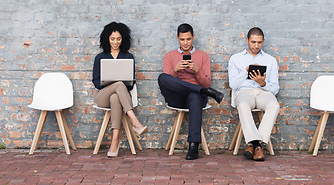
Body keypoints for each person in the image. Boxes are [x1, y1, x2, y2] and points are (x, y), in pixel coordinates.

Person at [158, 23, 224, 160]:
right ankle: (208, 92)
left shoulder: (203, 56)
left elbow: (206, 83)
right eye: (182, 39)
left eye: (188, 39)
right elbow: (167, 82)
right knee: (162, 77)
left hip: (196, 98)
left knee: (194, 95)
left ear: (193, 38)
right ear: (177, 38)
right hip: (176, 96)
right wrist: (175, 70)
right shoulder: (169, 56)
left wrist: (197, 70)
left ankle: (193, 146)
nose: (185, 42)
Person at [92, 22, 148, 158]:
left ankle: (114, 142)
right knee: (118, 85)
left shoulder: (128, 57)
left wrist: (127, 81)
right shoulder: (100, 57)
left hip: (119, 97)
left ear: (123, 39)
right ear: (107, 39)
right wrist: (114, 82)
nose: (115, 42)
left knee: (116, 97)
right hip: (102, 96)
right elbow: (96, 82)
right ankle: (134, 120)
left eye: (118, 39)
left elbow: (129, 86)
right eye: (112, 39)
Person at [228, 27, 280, 161]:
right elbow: (233, 85)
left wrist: (263, 83)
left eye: (259, 42)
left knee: (274, 105)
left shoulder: (270, 60)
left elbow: (275, 89)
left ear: (263, 41)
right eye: (253, 42)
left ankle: (255, 145)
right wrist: (246, 71)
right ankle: (257, 144)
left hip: (263, 92)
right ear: (247, 40)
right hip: (244, 92)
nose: (256, 46)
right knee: (243, 104)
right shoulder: (236, 59)